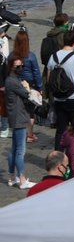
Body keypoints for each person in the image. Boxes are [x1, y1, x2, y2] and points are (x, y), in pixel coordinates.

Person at [46, 30, 74, 152]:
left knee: (61, 129)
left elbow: (49, 80)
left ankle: (58, 156)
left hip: (59, 99)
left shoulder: (53, 57)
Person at [5, 56, 34, 189]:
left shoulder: (10, 80)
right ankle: (22, 179)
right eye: (18, 66)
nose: (20, 68)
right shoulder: (14, 81)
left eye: (21, 66)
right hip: (19, 117)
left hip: (14, 116)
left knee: (14, 148)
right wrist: (26, 87)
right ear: (11, 66)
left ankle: (12, 177)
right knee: (20, 151)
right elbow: (26, 94)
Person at [11, 29, 41, 143]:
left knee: (19, 110)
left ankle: (21, 133)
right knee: (30, 111)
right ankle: (29, 134)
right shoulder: (31, 56)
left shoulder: (11, 56)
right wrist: (40, 87)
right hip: (30, 85)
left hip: (15, 84)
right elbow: (36, 72)